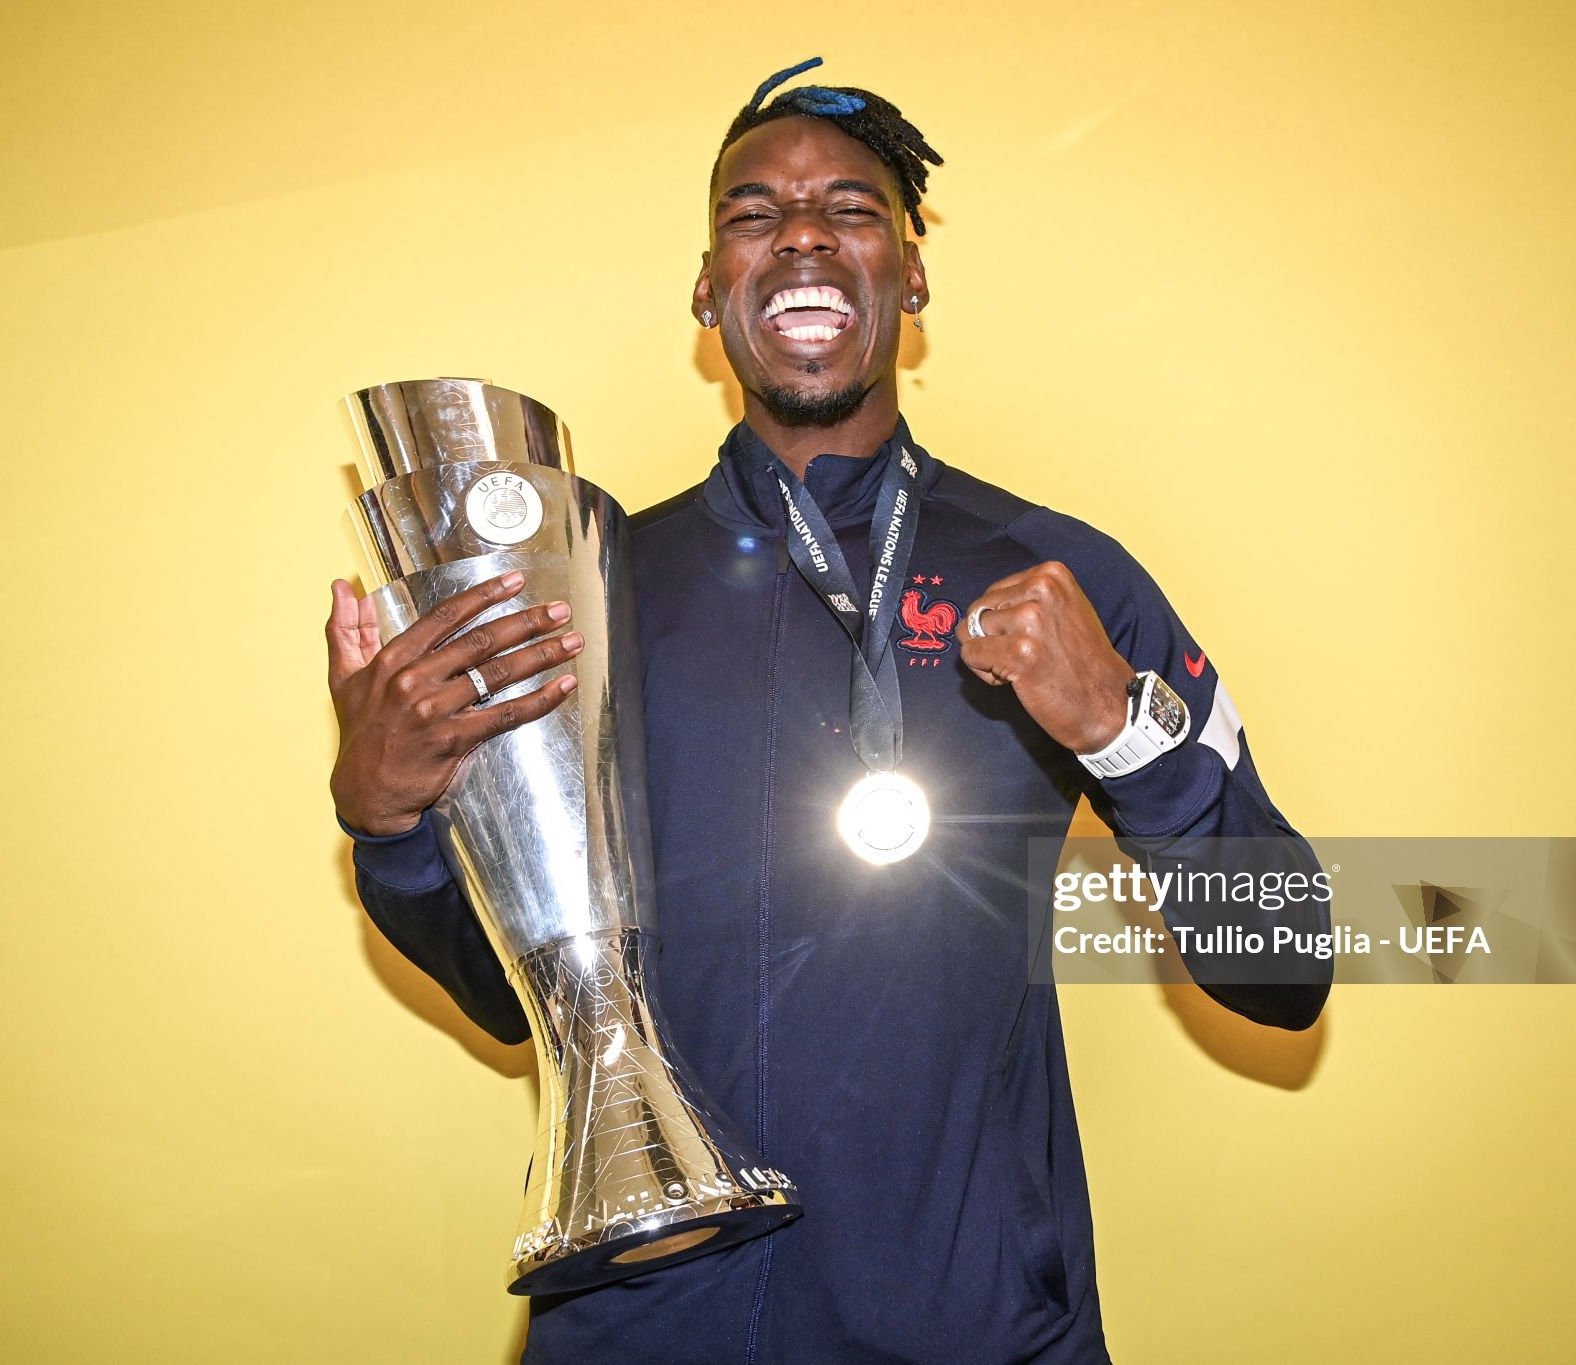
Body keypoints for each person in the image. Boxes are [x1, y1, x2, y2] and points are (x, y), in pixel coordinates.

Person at [324, 58, 1332, 1365]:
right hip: (645, 1331)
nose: (801, 232)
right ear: (707, 290)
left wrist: (1123, 731)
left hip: (973, 1336)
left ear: (911, 282)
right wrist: (390, 818)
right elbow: (525, 1006)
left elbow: (1288, 969)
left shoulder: (1062, 574)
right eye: (755, 212)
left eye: (852, 209)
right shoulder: (588, 589)